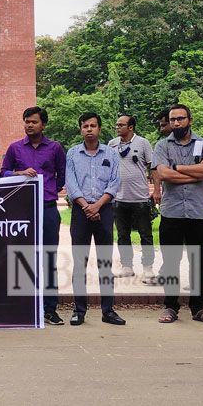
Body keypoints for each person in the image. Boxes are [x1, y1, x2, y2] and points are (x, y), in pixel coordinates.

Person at [153, 104, 203, 325]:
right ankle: (171, 306)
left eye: (181, 119)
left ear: (190, 119)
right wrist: (195, 173)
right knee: (171, 261)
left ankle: (198, 308)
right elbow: (162, 173)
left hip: (197, 213)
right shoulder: (162, 145)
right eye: (173, 120)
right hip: (171, 212)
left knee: (197, 262)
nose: (176, 123)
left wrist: (178, 168)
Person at [1, 106, 67, 326]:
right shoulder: (15, 148)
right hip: (23, 209)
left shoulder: (55, 148)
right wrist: (19, 173)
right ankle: (23, 306)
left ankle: (50, 308)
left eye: (34, 122)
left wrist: (48, 191)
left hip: (47, 208)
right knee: (23, 256)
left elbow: (61, 177)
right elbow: (4, 172)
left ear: (43, 124)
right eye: (26, 121)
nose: (29, 125)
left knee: (49, 258)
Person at [65, 112, 124, 326]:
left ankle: (108, 311)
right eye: (85, 126)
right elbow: (70, 183)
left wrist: (97, 205)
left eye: (93, 125)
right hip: (80, 212)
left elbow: (115, 182)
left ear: (99, 128)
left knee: (105, 263)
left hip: (105, 210)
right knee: (80, 262)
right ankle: (79, 310)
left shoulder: (111, 153)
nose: (89, 129)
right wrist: (86, 206)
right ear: (80, 129)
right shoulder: (72, 153)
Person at [108, 114, 156, 280]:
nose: (117, 127)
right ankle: (127, 266)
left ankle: (148, 267)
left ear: (131, 127)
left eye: (121, 125)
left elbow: (153, 168)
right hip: (119, 198)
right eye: (117, 124)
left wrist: (157, 190)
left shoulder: (143, 143)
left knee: (146, 235)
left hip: (140, 198)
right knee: (122, 235)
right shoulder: (112, 144)